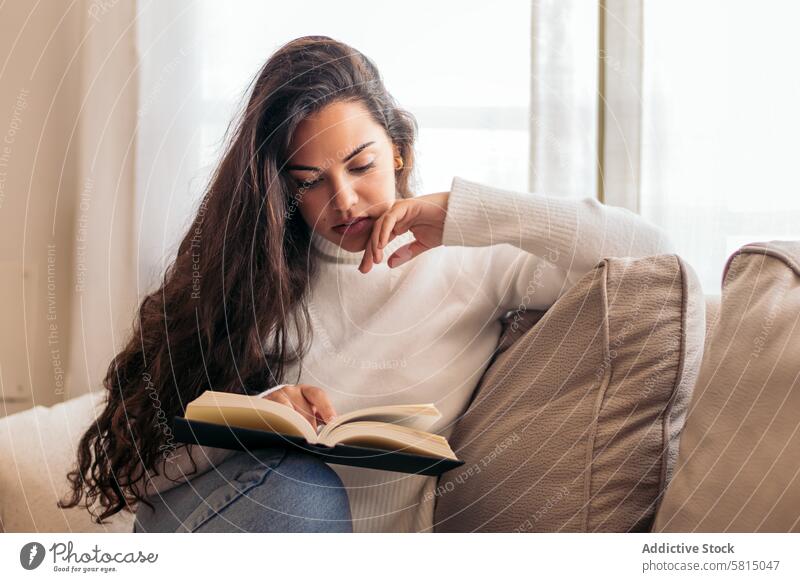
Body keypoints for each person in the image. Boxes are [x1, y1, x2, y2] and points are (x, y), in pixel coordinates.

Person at [58, 35, 674, 533]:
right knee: (302, 493)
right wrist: (250, 421)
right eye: (310, 181)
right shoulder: (251, 278)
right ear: (283, 189)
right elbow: (136, 472)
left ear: (399, 150)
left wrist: (465, 212)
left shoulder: (475, 259)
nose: (344, 200)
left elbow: (650, 254)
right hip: (216, 521)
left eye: (361, 165)